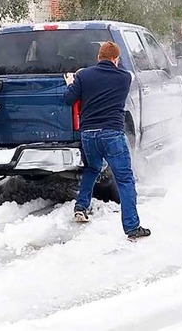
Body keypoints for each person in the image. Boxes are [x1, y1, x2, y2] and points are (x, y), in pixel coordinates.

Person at [63, 41, 151, 241]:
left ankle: (81, 207)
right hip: (112, 134)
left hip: (89, 135)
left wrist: (71, 82)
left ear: (98, 57)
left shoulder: (83, 76)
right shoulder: (124, 77)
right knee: (125, 179)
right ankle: (132, 227)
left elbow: (68, 99)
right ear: (116, 59)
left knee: (92, 169)